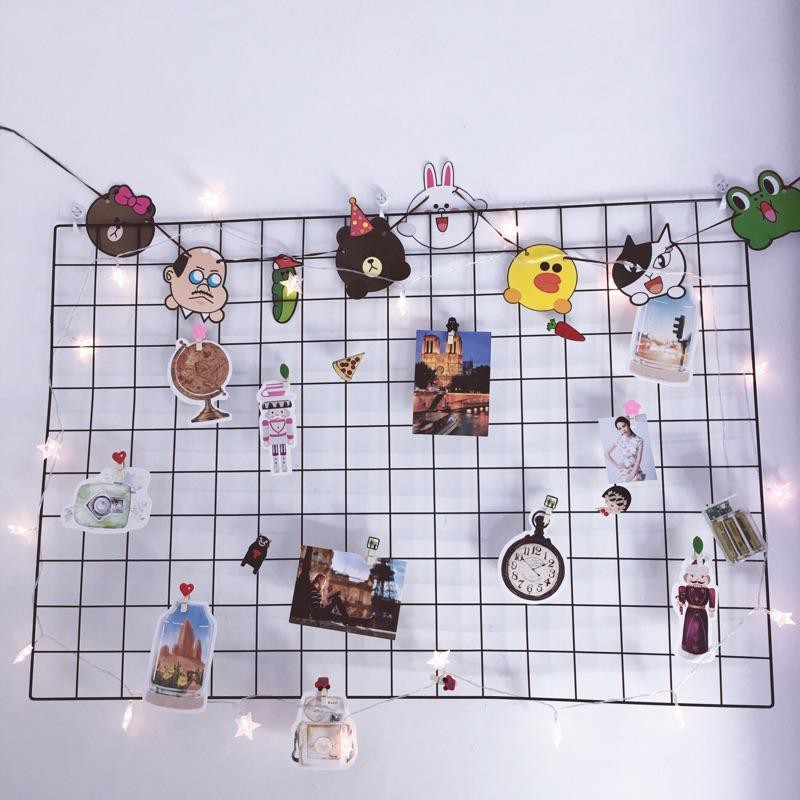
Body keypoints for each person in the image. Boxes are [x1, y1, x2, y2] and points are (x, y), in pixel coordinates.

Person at [605, 416, 645, 482]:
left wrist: (633, 474)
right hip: (624, 472)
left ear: (628, 424)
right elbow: (606, 453)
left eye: (624, 426)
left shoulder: (639, 440)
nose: (622, 429)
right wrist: (617, 465)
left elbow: (639, 459)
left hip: (636, 471)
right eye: (619, 428)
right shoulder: (619, 440)